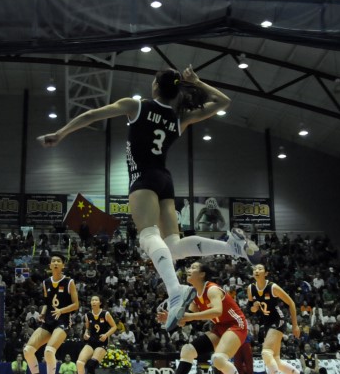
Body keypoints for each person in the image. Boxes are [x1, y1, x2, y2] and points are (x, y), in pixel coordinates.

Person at [38, 66, 258, 331]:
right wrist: (198, 82)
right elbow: (224, 102)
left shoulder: (137, 106)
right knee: (172, 246)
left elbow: (92, 115)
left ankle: (175, 291)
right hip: (165, 179)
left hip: (143, 178)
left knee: (147, 236)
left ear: (155, 86)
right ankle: (232, 247)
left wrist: (61, 133)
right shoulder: (179, 117)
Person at [157, 261, 248, 374]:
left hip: (236, 325)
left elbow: (217, 311)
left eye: (193, 267)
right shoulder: (194, 294)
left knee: (218, 359)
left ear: (202, 274)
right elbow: (185, 320)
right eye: (189, 267)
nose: (189, 270)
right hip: (219, 327)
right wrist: (171, 318)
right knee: (187, 350)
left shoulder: (212, 289)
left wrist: (191, 316)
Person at [23, 254, 79, 374]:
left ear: (63, 265)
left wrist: (61, 310)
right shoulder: (46, 282)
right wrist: (42, 313)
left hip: (63, 322)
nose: (56, 263)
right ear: (50, 265)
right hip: (48, 322)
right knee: (27, 350)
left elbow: (76, 305)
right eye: (53, 261)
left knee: (48, 351)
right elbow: (46, 303)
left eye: (58, 261)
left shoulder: (69, 282)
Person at [248, 264, 301, 374]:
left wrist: (295, 325)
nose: (256, 271)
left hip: (278, 320)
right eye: (255, 269)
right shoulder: (251, 288)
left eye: (260, 269)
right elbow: (251, 309)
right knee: (276, 360)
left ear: (266, 273)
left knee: (266, 353)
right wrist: (254, 307)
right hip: (267, 323)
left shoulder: (273, 287)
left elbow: (291, 303)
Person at [77, 295, 117, 374]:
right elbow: (87, 328)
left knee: (91, 365)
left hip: (101, 343)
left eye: (96, 300)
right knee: (79, 363)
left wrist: (106, 335)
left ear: (100, 303)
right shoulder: (88, 315)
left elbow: (114, 327)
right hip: (91, 341)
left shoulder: (105, 314)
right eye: (92, 300)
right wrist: (85, 333)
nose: (94, 302)